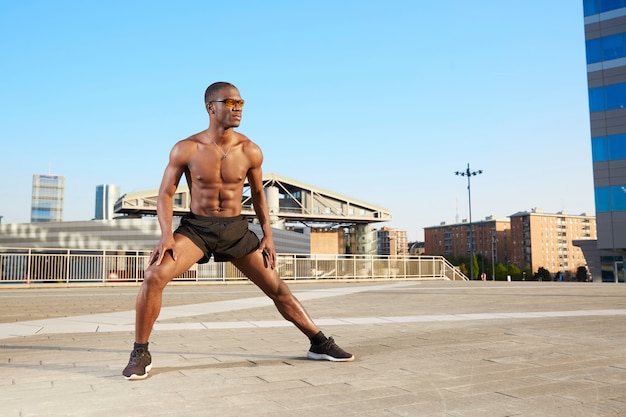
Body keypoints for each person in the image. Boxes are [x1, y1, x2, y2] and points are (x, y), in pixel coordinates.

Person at [123, 82, 354, 380]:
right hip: (198, 229)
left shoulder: (250, 150)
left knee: (278, 289)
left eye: (241, 102)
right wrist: (167, 234)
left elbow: (258, 195)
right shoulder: (187, 148)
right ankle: (141, 351)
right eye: (230, 102)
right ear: (211, 107)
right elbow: (166, 194)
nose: (237, 108)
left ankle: (319, 343)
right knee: (154, 274)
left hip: (236, 230)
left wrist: (268, 235)